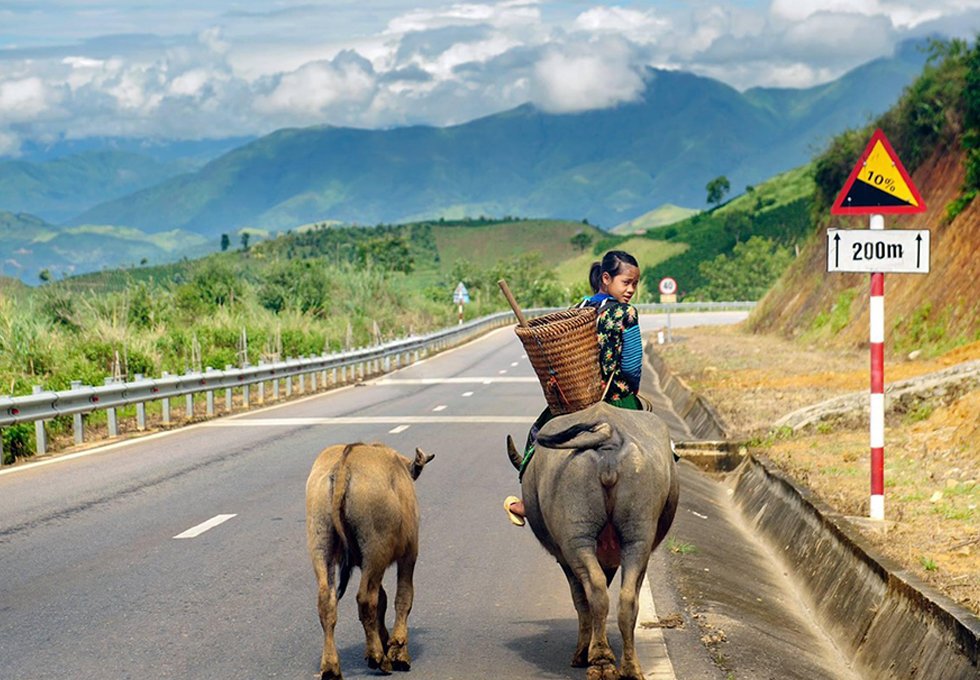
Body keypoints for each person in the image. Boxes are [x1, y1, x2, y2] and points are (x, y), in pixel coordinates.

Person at [505, 250, 643, 526]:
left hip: (576, 397)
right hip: (616, 396)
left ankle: (527, 502)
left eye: (634, 285)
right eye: (626, 283)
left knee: (538, 434)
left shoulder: (580, 307)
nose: (630, 290)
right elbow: (631, 364)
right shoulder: (626, 313)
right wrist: (632, 389)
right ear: (606, 278)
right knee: (659, 443)